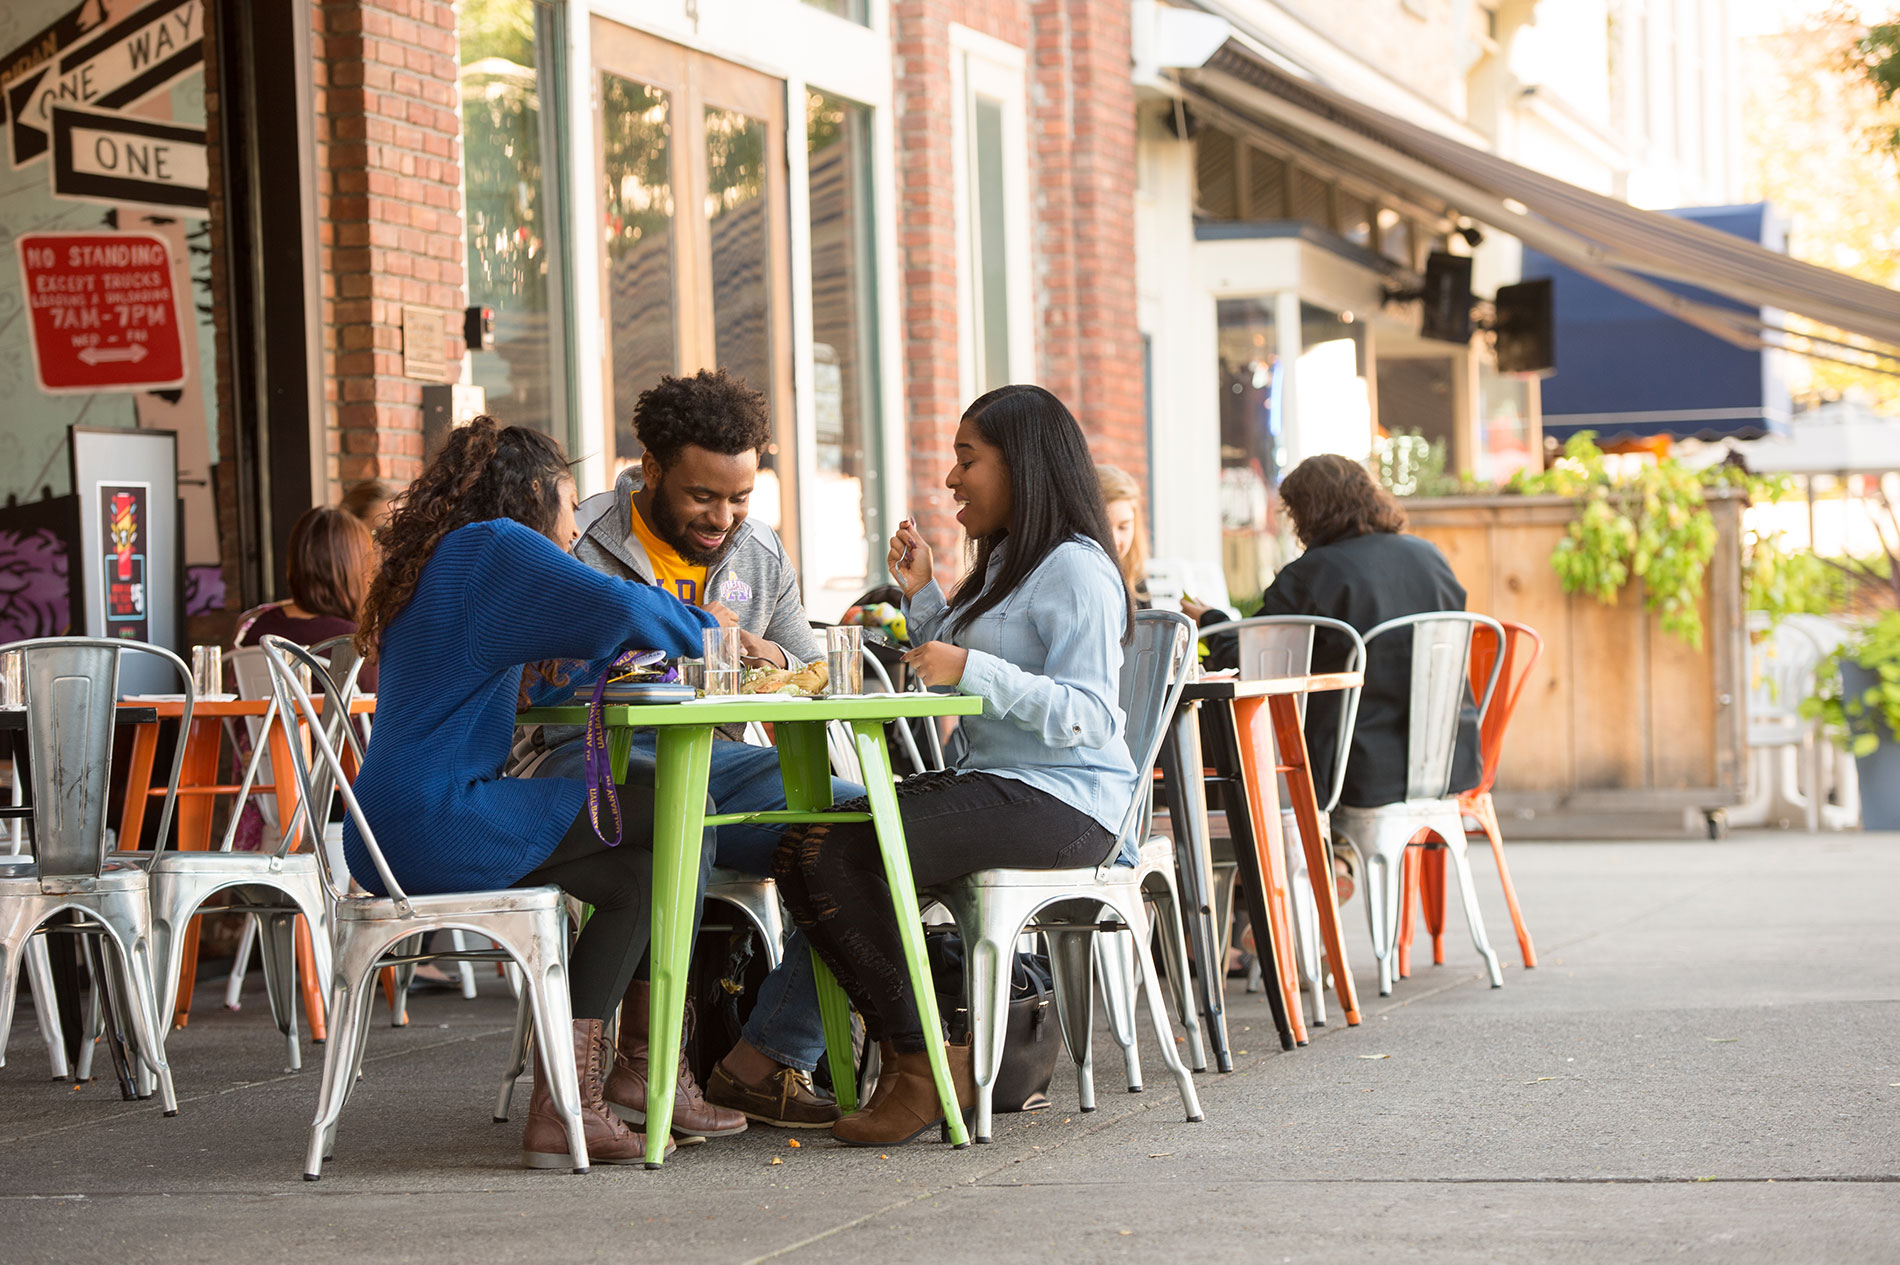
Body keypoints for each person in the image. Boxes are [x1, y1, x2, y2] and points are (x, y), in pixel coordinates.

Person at [345, 417, 718, 1169]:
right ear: (536, 494)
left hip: (387, 825)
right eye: (571, 504)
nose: (576, 525)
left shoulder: (442, 561)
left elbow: (529, 662)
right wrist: (712, 629)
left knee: (638, 874)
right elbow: (621, 606)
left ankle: (568, 1102)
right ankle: (639, 1071)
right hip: (440, 816)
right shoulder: (495, 546)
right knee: (687, 820)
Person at [773, 384, 1139, 1148]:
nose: (951, 479)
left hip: (1068, 803)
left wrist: (968, 662)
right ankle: (922, 1053)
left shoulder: (1077, 569)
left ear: (1023, 465)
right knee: (804, 844)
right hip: (1005, 788)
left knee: (835, 849)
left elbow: (1091, 715)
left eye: (967, 459)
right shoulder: (1013, 561)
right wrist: (927, 598)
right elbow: (980, 668)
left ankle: (920, 1064)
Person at [511, 367, 858, 1141]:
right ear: (654, 467)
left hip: (715, 764)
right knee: (682, 801)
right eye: (704, 496)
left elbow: (809, 675)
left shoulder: (760, 554)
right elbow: (541, 672)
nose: (723, 517)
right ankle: (652, 1061)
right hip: (583, 758)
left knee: (856, 823)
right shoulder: (580, 534)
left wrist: (777, 664)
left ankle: (770, 1053)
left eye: (740, 498)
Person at [1257, 453, 1481, 821]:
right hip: (1449, 761)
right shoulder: (1430, 557)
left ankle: (1315, 862)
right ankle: (1343, 859)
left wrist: (1210, 621)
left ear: (1305, 513)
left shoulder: (1311, 574)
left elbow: (1256, 654)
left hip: (1356, 770)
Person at [237, 506, 378, 692]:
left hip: (269, 722)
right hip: (343, 722)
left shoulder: (260, 629)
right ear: (355, 569)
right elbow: (381, 711)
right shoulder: (351, 640)